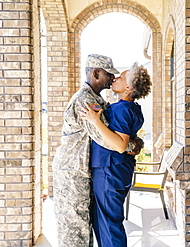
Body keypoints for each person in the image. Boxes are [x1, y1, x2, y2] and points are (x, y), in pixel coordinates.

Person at [52, 54, 142, 247]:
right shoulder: (85, 100)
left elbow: (116, 130)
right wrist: (134, 145)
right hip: (71, 173)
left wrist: (134, 141)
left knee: (91, 227)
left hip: (86, 171)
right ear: (96, 73)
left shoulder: (98, 100)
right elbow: (108, 140)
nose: (112, 78)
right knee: (75, 233)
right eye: (110, 74)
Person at [80, 62, 152, 247]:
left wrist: (96, 122)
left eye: (121, 77)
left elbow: (120, 145)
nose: (115, 78)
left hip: (110, 171)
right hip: (116, 170)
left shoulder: (123, 109)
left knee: (109, 224)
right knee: (104, 222)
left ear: (128, 88)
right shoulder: (130, 108)